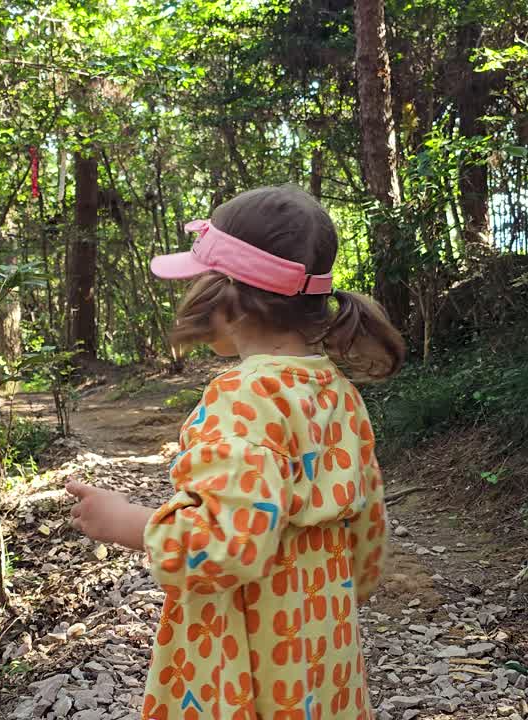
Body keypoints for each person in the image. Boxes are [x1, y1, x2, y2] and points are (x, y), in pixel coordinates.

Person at [66, 185, 406, 720]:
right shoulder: (337, 391)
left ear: (228, 300)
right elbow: (368, 525)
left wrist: (128, 523)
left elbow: (225, 546)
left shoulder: (243, 397)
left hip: (251, 651)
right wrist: (338, 595)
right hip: (324, 643)